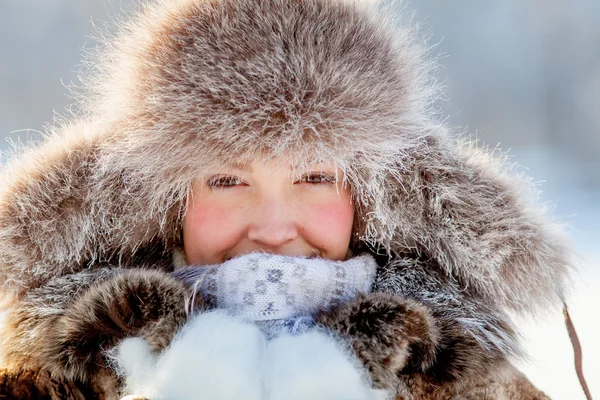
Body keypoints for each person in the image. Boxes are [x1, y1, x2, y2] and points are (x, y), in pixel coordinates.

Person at [0, 0, 571, 399]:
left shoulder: (461, 374)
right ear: (166, 201)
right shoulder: (53, 372)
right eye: (226, 180)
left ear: (374, 201)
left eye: (315, 177)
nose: (273, 231)